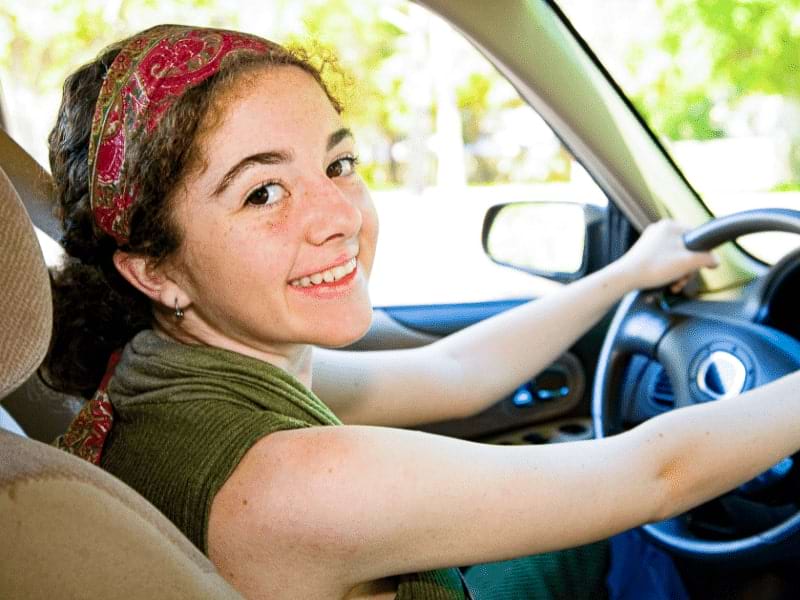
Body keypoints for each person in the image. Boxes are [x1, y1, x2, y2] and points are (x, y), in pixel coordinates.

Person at [45, 24, 800, 600]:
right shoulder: (292, 481)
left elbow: (455, 370)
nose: (339, 215)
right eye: (262, 193)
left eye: (338, 165)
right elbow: (658, 473)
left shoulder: (166, 370)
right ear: (155, 269)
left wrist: (627, 274)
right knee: (649, 541)